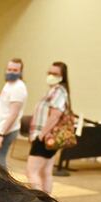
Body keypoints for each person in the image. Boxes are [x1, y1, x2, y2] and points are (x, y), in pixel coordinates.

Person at [27, 61, 70, 194]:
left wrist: (41, 135)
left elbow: (55, 116)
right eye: (49, 73)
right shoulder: (54, 91)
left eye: (55, 73)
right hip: (47, 137)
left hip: (45, 137)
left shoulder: (59, 91)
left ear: (62, 76)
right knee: (45, 171)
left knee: (31, 172)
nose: (51, 75)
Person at [0, 58, 27, 169]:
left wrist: (1, 134)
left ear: (20, 72)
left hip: (7, 131)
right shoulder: (8, 84)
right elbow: (1, 108)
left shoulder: (19, 88)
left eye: (15, 70)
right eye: (9, 69)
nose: (11, 72)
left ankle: (3, 185)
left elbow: (13, 114)